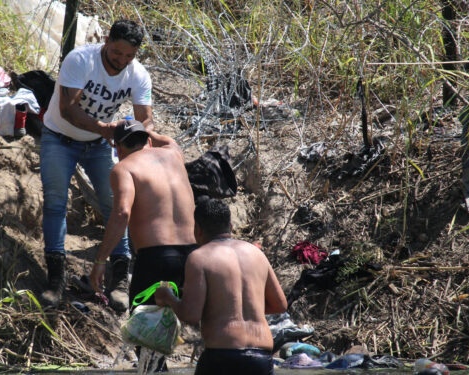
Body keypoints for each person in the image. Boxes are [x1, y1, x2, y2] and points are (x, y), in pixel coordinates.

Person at [39, 19, 154, 308]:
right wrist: (106, 128)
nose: (121, 60)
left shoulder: (137, 74)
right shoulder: (80, 60)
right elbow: (68, 109)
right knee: (55, 203)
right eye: (117, 52)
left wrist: (131, 135)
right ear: (105, 40)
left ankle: (118, 280)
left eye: (129, 56)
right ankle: (55, 280)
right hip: (59, 137)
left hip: (99, 145)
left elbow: (146, 119)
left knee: (114, 205)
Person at [154, 198, 288, 375]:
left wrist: (167, 297)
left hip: (222, 356)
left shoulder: (199, 257)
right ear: (231, 226)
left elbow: (191, 315)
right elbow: (280, 305)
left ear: (198, 229)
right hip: (261, 357)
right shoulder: (256, 253)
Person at [89, 119, 196, 313]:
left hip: (156, 258)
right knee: (177, 325)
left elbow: (122, 213)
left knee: (143, 330)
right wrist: (148, 131)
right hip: (192, 255)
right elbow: (167, 140)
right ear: (148, 141)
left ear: (118, 149)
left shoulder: (124, 168)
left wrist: (100, 260)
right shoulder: (174, 153)